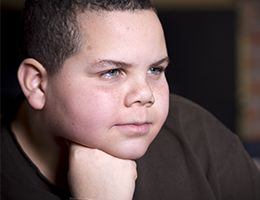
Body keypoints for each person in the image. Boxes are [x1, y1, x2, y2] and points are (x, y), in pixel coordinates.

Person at [1, 0, 259, 199]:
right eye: (112, 72)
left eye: (155, 70)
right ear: (37, 84)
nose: (146, 95)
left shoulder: (198, 134)